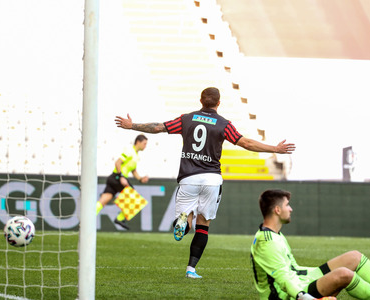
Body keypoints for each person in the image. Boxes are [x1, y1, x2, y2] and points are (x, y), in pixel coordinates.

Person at [115, 87, 296, 278]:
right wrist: (275, 148)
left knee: (186, 222)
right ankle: (191, 269)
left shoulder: (187, 119)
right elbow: (247, 144)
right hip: (211, 179)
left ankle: (183, 224)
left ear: (200, 101)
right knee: (203, 225)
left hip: (188, 178)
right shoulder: (224, 124)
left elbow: (158, 127)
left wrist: (132, 125)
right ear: (219, 103)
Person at [250, 189, 370, 300]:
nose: (291, 208)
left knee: (353, 257)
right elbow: (284, 279)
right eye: (287, 205)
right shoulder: (266, 242)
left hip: (302, 279)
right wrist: (304, 297)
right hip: (289, 295)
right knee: (344, 274)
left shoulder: (275, 235)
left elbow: (292, 270)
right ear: (277, 210)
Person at [96, 134, 149, 230]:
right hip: (118, 178)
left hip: (114, 178)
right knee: (135, 200)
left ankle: (88, 218)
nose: (145, 146)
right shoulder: (130, 151)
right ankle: (120, 218)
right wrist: (121, 177)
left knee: (102, 201)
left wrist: (141, 179)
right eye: (144, 143)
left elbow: (134, 171)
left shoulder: (136, 155)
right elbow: (117, 162)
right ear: (138, 142)